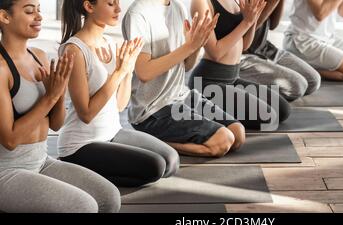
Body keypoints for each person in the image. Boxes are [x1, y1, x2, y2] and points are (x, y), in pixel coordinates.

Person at [0, 0, 120, 213]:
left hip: (41, 161)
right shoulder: (2, 69)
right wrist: (50, 96)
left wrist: (59, 91)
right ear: (4, 17)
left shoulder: (40, 57)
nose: (38, 16)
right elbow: (10, 139)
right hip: (7, 172)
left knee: (109, 198)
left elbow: (56, 124)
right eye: (29, 11)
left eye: (38, 9)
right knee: (84, 206)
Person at [58, 0, 180, 187]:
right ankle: (78, 171)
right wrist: (119, 72)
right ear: (89, 7)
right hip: (81, 144)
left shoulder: (111, 43)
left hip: (113, 132)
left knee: (171, 161)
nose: (118, 9)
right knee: (155, 166)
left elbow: (120, 105)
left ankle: (98, 170)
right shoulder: (74, 50)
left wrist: (128, 69)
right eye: (110, 3)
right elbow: (87, 114)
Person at [122, 0, 246, 158]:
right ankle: (148, 142)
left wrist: (196, 45)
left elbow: (186, 66)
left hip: (181, 96)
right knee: (223, 141)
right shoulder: (137, 14)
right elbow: (144, 72)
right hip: (153, 111)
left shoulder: (177, 7)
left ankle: (155, 140)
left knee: (237, 134)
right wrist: (189, 47)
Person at [189, 0, 291, 131]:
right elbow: (215, 52)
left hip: (232, 79)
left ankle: (216, 109)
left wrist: (253, 18)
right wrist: (246, 22)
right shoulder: (201, 3)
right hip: (208, 83)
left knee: (283, 110)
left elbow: (245, 45)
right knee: (268, 117)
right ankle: (200, 105)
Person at [240, 0, 321, 101]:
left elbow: (273, 25)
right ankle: (236, 86)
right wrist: (271, 3)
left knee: (313, 81)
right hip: (242, 53)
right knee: (297, 87)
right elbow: (244, 36)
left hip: (264, 48)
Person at [283, 0, 343, 81]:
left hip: (327, 37)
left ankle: (306, 66)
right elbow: (321, 13)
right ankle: (302, 70)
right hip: (302, 40)